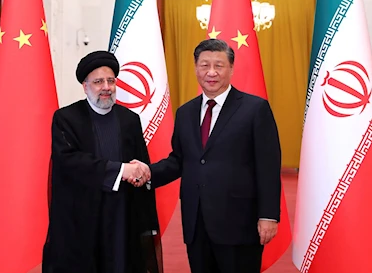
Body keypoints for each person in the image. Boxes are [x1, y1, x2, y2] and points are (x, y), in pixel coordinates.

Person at [135, 39, 282, 273]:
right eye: (204, 65)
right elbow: (179, 161)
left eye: (219, 65)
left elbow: (268, 166)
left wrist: (269, 215)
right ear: (196, 68)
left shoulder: (255, 109)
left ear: (231, 69)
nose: (211, 72)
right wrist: (146, 172)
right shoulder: (185, 112)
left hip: (239, 223)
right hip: (196, 223)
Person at [42, 50, 162, 273]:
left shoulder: (129, 119)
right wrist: (121, 170)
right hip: (82, 218)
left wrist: (140, 172)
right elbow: (71, 162)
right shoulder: (66, 118)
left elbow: (140, 162)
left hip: (122, 216)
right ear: (85, 86)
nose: (106, 87)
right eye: (98, 82)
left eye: (110, 81)